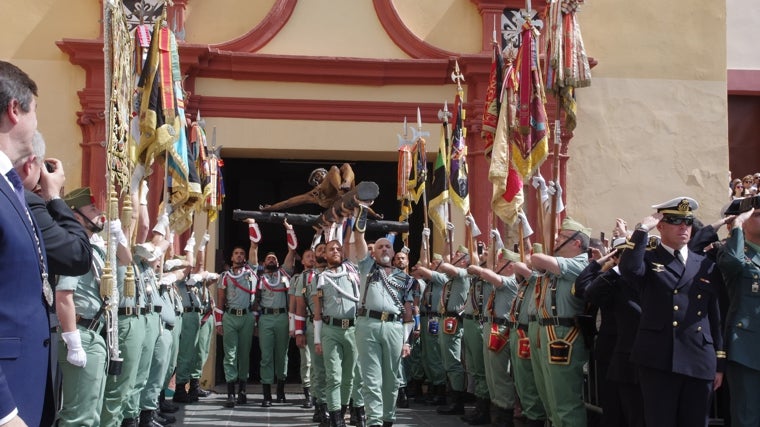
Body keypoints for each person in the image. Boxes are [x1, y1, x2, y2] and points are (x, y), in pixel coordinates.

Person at [619, 197, 725, 427]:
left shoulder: (704, 263)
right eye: (675, 221)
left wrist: (720, 361)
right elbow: (628, 269)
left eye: (687, 222)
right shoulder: (648, 258)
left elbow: (714, 316)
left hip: (698, 357)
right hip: (659, 358)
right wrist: (641, 230)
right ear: (661, 226)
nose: (683, 227)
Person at [0, 59, 53, 427]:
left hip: (27, 389)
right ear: (15, 110)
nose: (37, 125)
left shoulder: (10, 187)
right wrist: (4, 413)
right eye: (35, 112)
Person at [349, 207, 416, 427]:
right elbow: (359, 240)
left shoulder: (405, 279)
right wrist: (359, 221)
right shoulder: (367, 267)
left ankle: (388, 419)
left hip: (395, 328)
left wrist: (406, 340)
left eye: (388, 246)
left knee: (392, 379)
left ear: (393, 250)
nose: (385, 248)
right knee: (371, 378)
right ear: (374, 252)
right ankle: (374, 422)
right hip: (368, 324)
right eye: (380, 246)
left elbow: (408, 312)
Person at [54, 188, 114, 426]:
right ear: (76, 216)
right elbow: (64, 295)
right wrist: (73, 340)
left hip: (94, 332)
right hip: (81, 333)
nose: (99, 214)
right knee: (79, 416)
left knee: (92, 411)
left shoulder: (88, 246)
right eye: (92, 209)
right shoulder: (72, 248)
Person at [529, 218, 591, 427]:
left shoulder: (580, 263)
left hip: (565, 334)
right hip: (548, 330)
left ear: (576, 242)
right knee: (550, 394)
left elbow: (536, 258)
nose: (555, 241)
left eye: (561, 237)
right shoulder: (558, 265)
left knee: (565, 398)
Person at [582, 238, 645, 427]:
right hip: (612, 355)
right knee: (614, 411)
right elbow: (585, 290)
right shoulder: (612, 280)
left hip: (642, 356)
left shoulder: (649, 279)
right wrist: (613, 266)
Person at [413, 242, 472, 415]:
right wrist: (446, 243)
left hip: (453, 322)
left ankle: (457, 402)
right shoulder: (451, 278)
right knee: (446, 361)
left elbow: (444, 265)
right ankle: (452, 398)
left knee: (452, 362)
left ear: (463, 261)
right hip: (446, 321)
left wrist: (447, 244)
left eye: (456, 256)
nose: (452, 258)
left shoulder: (462, 275)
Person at [716, 203, 760, 427]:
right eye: (758, 215)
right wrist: (738, 227)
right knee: (747, 417)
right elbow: (732, 263)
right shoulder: (733, 250)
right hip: (747, 350)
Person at [468, 248, 521, 427]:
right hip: (491, 326)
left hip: (501, 329)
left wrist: (478, 269)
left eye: (501, 263)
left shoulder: (511, 281)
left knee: (500, 374)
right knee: (491, 375)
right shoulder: (500, 281)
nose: (496, 266)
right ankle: (495, 412)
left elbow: (493, 276)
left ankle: (505, 416)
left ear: (510, 267)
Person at [313, 239, 361, 427]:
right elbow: (317, 312)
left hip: (351, 329)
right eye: (330, 249)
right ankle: (335, 418)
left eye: (337, 249)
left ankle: (341, 410)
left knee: (349, 376)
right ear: (324, 255)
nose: (334, 251)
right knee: (334, 375)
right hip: (330, 330)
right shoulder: (320, 278)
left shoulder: (352, 274)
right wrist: (317, 340)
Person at [251, 220, 297, 407]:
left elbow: (292, 251)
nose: (272, 260)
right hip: (265, 319)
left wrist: (289, 229)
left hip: (283, 318)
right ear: (264, 263)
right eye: (269, 258)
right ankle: (266, 395)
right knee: (266, 356)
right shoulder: (258, 277)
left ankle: (280, 391)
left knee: (282, 355)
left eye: (274, 259)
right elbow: (254, 303)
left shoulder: (285, 273)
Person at [216, 220, 258, 408]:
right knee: (230, 354)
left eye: (242, 253)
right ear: (231, 257)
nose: (240, 256)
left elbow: (254, 246)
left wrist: (252, 226)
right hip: (230, 317)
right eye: (237, 253)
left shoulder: (251, 271)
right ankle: (231, 393)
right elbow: (220, 300)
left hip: (247, 317)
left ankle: (242, 390)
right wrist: (218, 322)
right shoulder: (225, 276)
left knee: (244, 354)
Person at [260, 164, 355, 211]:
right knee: (334, 168)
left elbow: (343, 170)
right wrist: (271, 208)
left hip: (346, 188)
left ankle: (345, 185)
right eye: (317, 176)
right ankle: (341, 192)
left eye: (322, 173)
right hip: (331, 199)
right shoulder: (314, 192)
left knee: (346, 165)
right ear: (315, 182)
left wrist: (345, 182)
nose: (321, 175)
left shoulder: (337, 174)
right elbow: (288, 202)